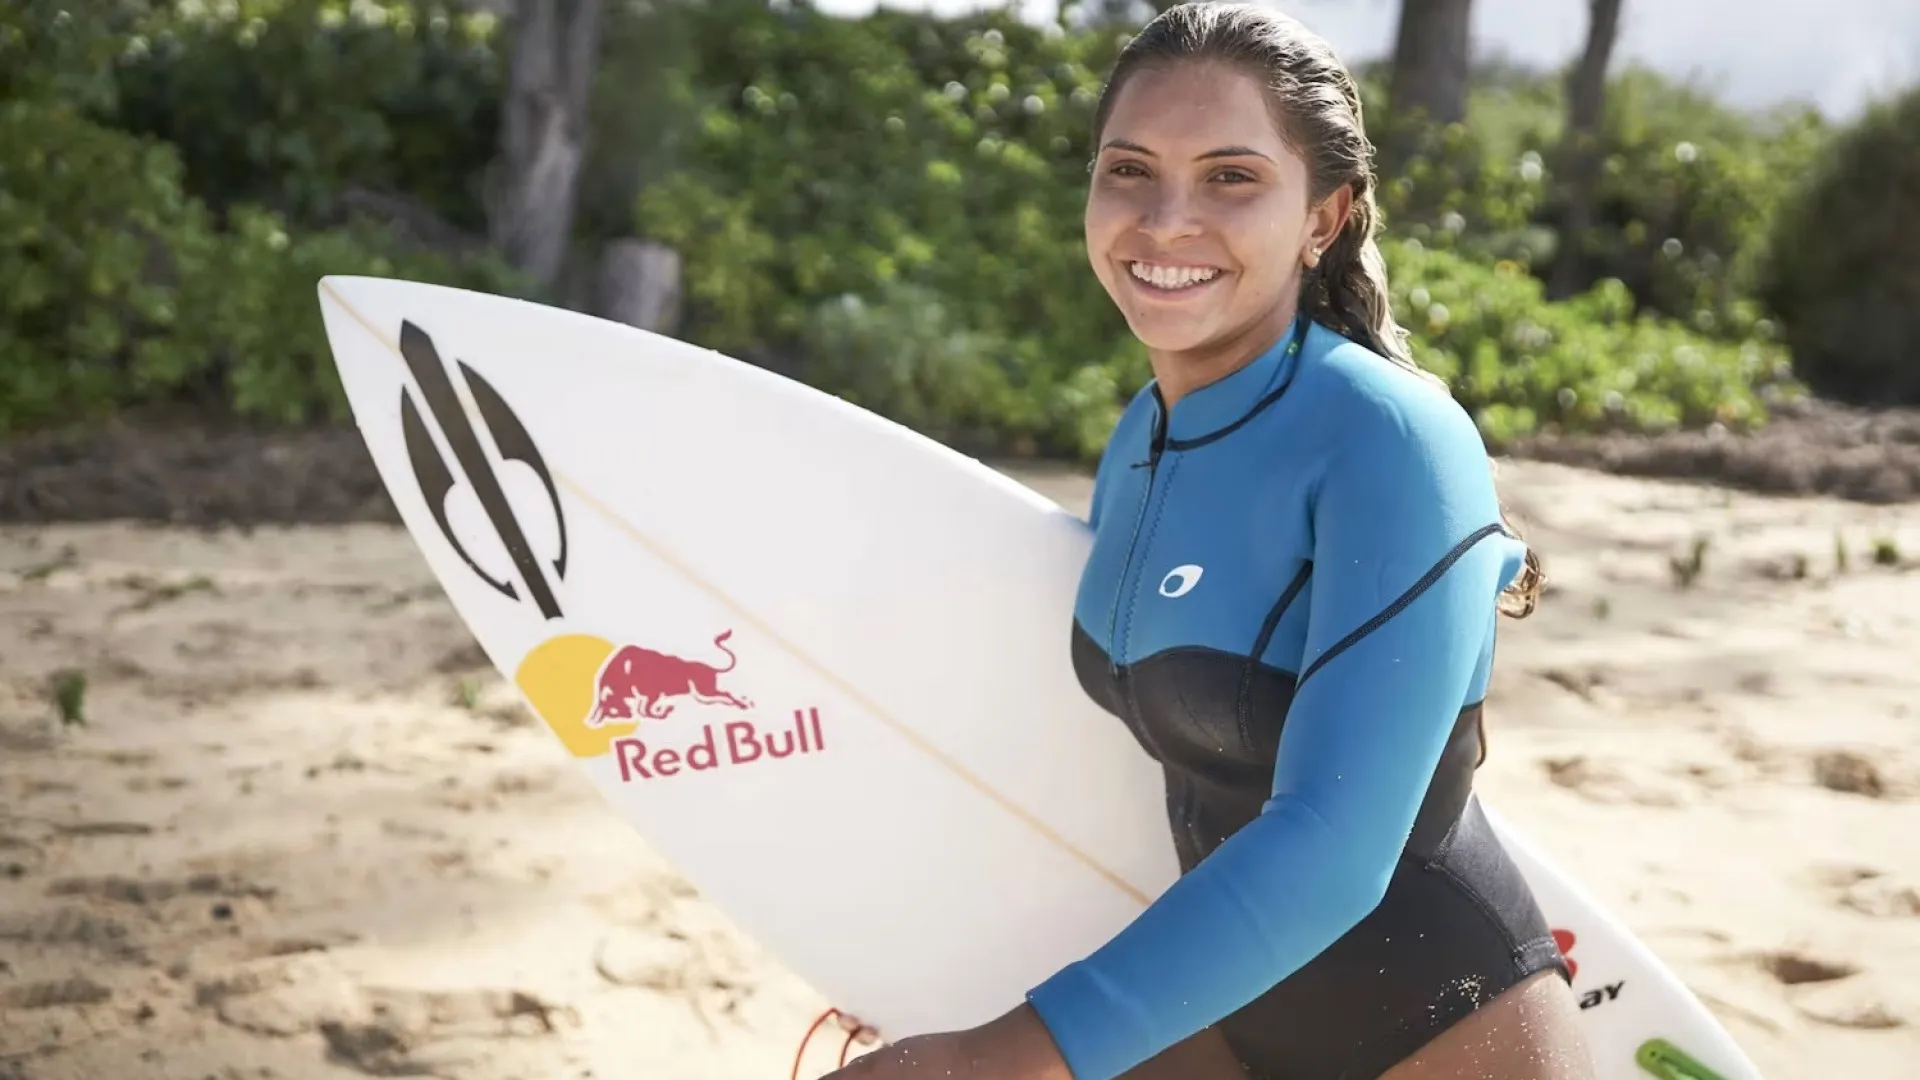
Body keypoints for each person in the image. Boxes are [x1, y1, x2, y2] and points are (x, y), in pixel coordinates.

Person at [820, 4, 1595, 1079]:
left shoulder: (1392, 440)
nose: (1166, 217)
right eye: (1128, 169)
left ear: (1325, 216)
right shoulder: (1144, 434)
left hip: (1439, 1032)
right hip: (1217, 1008)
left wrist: (1002, 1055)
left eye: (1231, 176)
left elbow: (1335, 846)